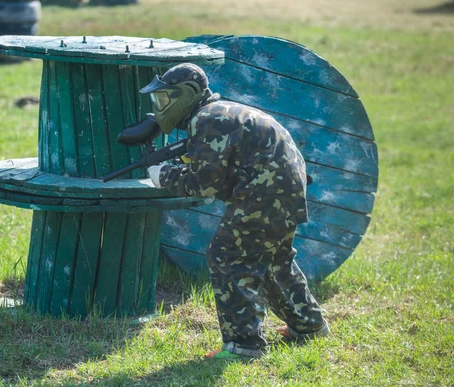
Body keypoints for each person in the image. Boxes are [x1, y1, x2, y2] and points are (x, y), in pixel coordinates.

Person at [141, 63, 330, 359]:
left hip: (265, 193)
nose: (161, 107)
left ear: (187, 95)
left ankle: (243, 345)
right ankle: (309, 325)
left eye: (165, 99)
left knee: (228, 257)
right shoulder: (222, 111)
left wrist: (161, 175)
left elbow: (203, 184)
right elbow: (219, 169)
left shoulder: (206, 119)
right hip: (287, 191)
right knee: (273, 259)